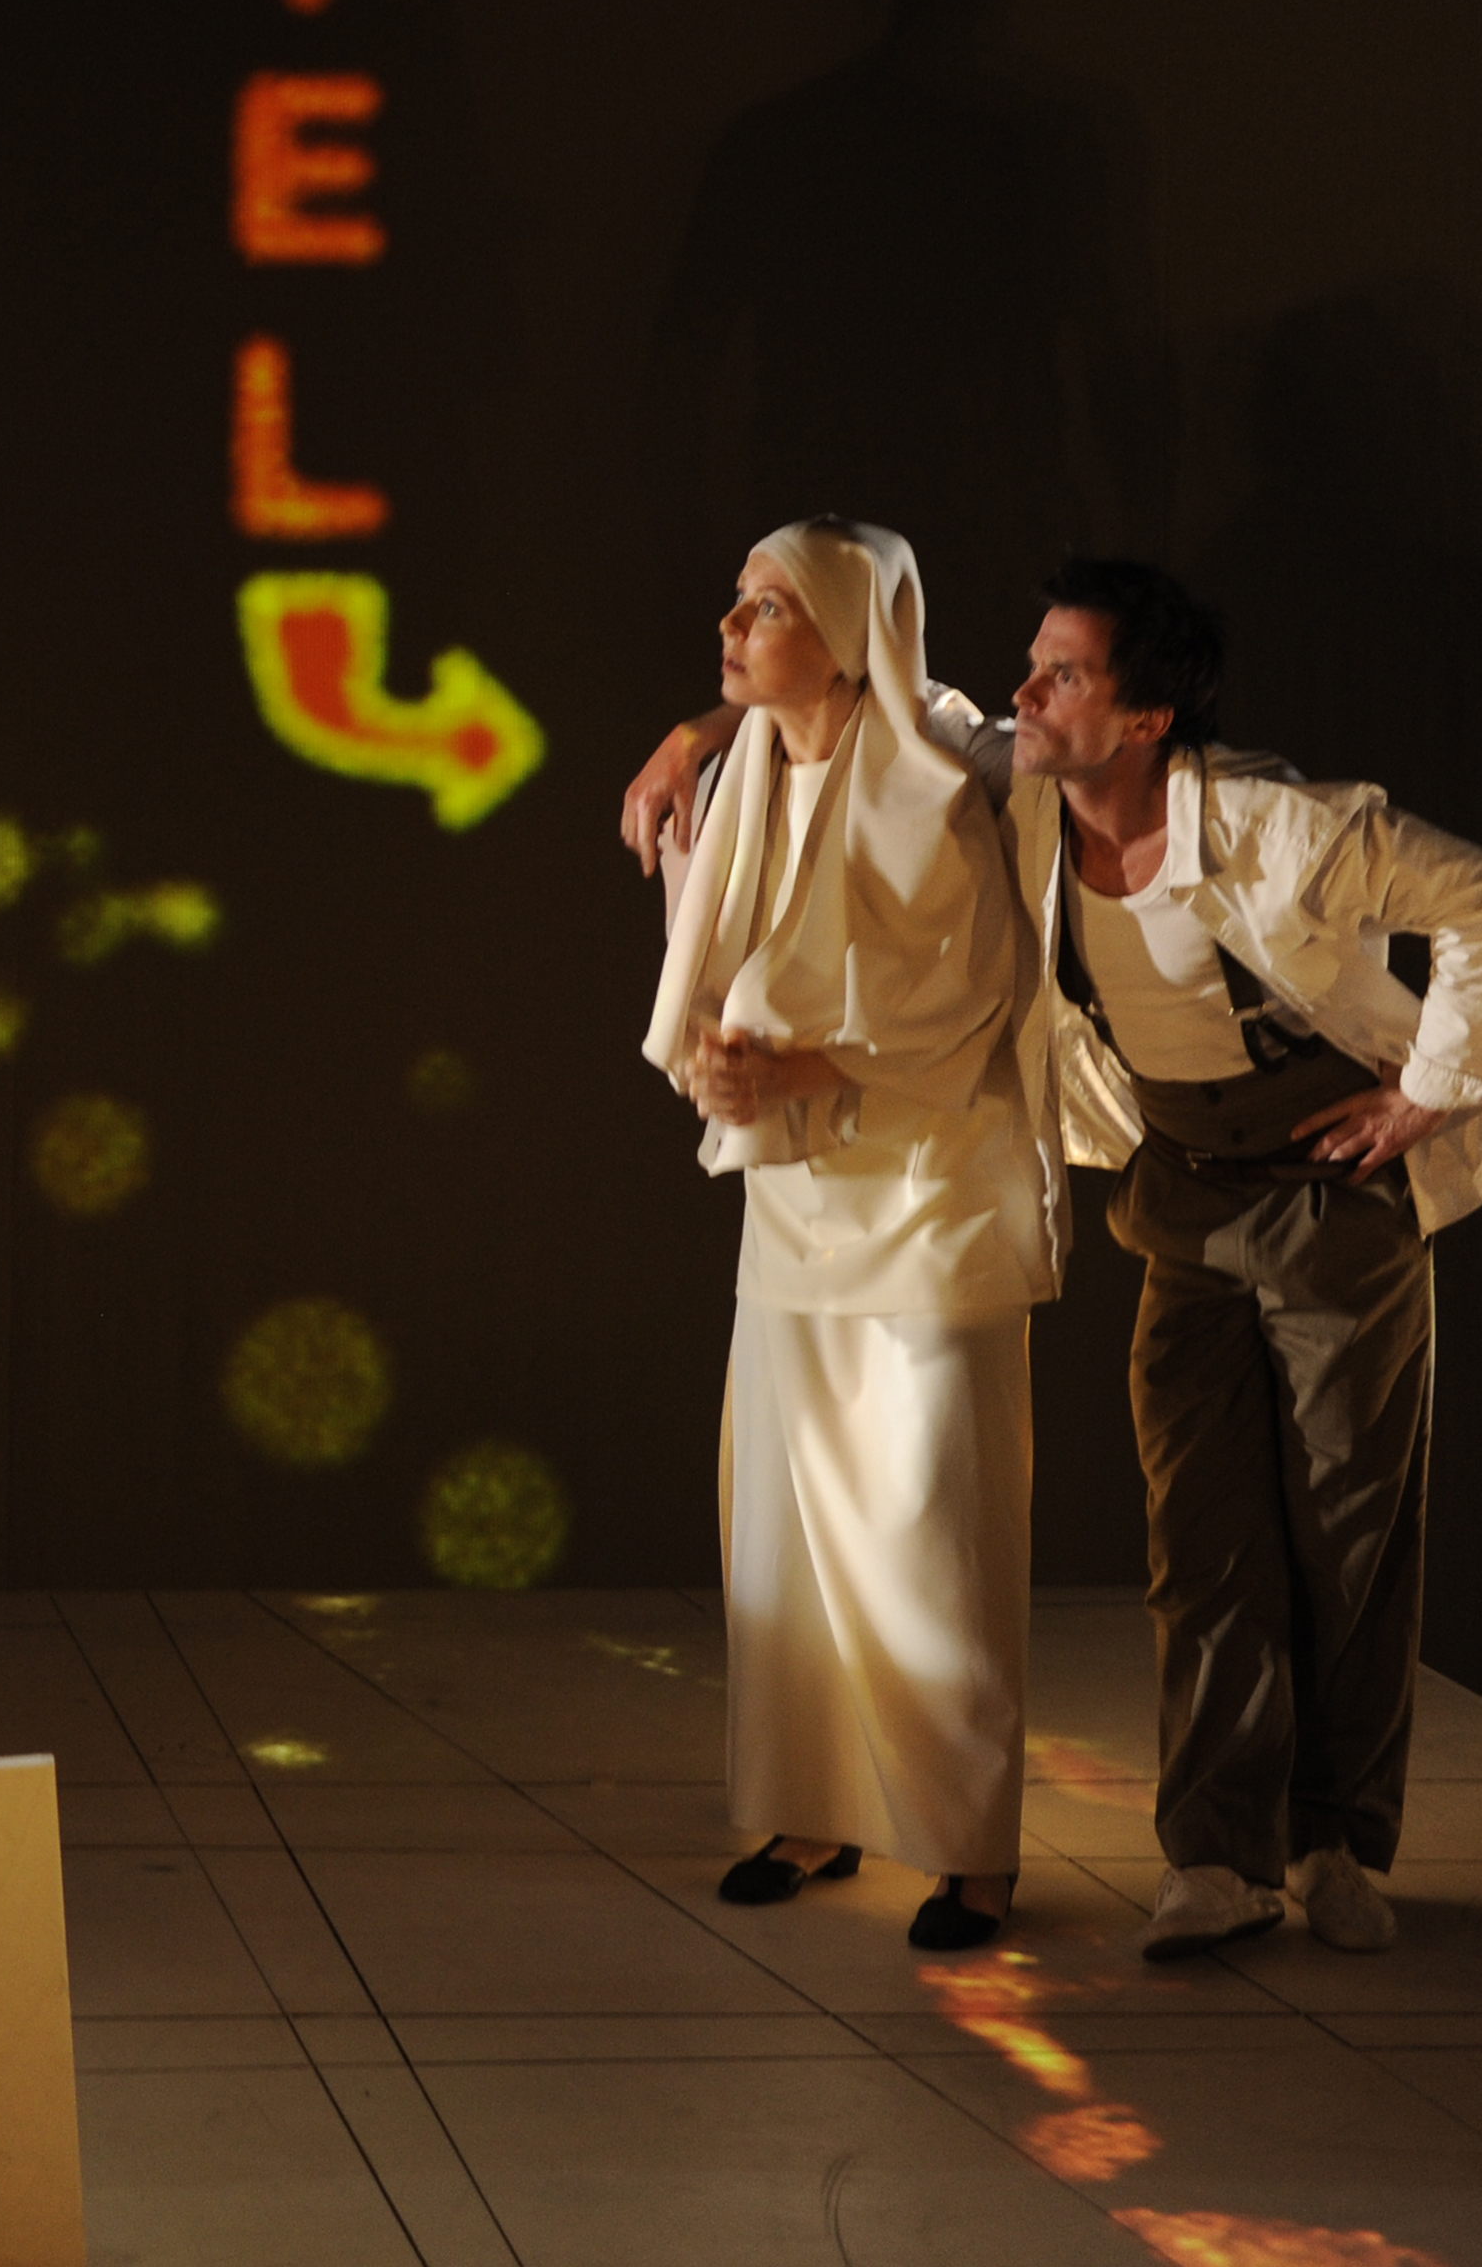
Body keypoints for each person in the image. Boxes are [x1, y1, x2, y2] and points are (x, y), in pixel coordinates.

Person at [626, 558, 1482, 1963]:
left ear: (1146, 719)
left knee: (1346, 1531)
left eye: (1061, 676)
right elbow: (886, 694)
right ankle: (1216, 1858)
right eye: (1033, 666)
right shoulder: (1026, 786)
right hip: (1185, 1186)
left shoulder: (1281, 826)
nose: (1025, 694)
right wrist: (696, 733)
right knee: (1203, 1536)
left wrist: (1425, 1090)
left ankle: (1337, 1840)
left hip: (1334, 1188)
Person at [637, 519, 1059, 1952]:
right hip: (797, 1197)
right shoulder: (744, 772)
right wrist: (730, 1065)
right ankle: (810, 1809)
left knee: (933, 1526)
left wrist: (803, 1068)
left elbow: (967, 1002)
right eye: (737, 599)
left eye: (766, 608)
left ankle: (968, 1849)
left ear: (846, 638)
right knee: (791, 1519)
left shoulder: (937, 783)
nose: (730, 626)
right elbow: (719, 960)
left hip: (927, 1196)